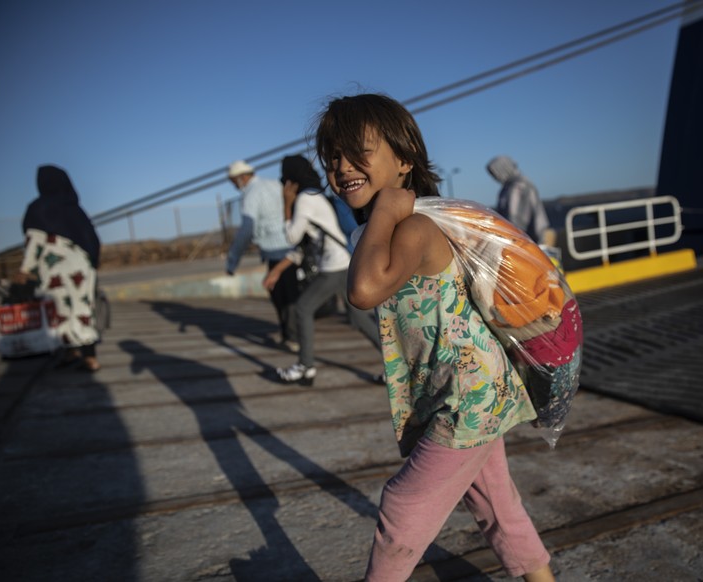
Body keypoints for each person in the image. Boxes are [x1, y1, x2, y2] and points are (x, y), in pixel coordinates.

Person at [315, 93, 556, 582]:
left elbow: (363, 290)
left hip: (464, 401)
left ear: (404, 161)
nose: (342, 168)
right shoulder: (394, 229)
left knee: (402, 508)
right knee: (496, 504)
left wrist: (384, 210)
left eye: (356, 152)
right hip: (470, 393)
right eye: (333, 157)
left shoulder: (416, 228)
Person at [263, 155, 381, 385]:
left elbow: (291, 236)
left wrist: (286, 204)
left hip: (335, 265)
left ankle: (305, 367)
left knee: (302, 308)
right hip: (344, 262)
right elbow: (304, 246)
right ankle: (396, 366)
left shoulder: (305, 200)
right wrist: (277, 270)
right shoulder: (316, 195)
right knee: (359, 318)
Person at [15, 165, 102, 371]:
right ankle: (90, 357)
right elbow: (93, 240)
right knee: (82, 309)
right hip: (82, 267)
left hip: (54, 270)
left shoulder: (38, 209)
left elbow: (34, 242)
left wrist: (25, 269)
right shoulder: (75, 209)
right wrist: (93, 263)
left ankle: (69, 352)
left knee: (59, 310)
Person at [225, 160, 299, 351]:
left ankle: (293, 337)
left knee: (282, 297)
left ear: (242, 177)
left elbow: (246, 230)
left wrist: (233, 260)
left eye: (233, 181)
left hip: (275, 251)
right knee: (288, 293)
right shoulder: (274, 184)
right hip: (290, 244)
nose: (234, 185)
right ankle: (290, 335)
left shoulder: (251, 194)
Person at [487, 155, 554, 245]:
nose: (495, 177)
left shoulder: (518, 187)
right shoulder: (508, 187)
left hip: (526, 241)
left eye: (495, 173)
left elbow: (516, 219)